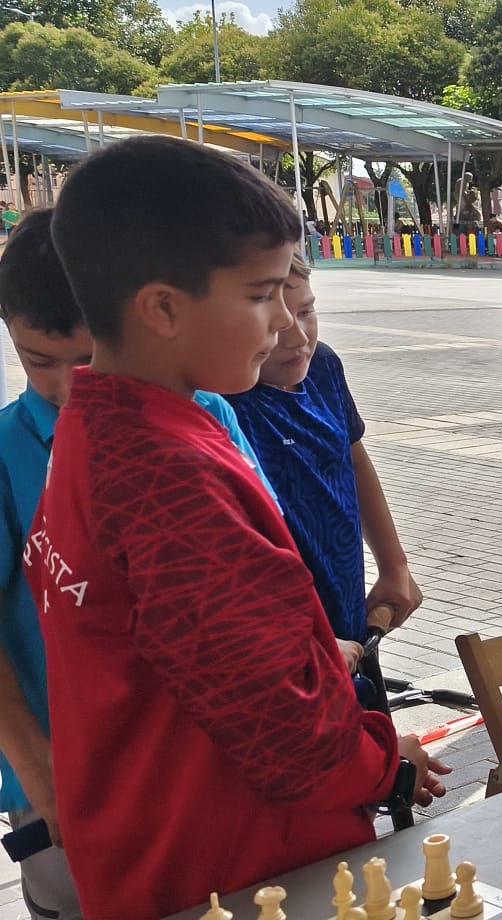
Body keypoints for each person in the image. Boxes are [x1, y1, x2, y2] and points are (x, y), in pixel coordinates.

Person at [34, 135, 448, 920]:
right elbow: (284, 734)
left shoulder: (97, 431)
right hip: (240, 871)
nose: (283, 322)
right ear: (162, 308)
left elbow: (202, 650)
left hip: (153, 845)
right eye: (261, 296)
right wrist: (383, 763)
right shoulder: (167, 474)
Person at [0, 208, 275, 920]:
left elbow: (264, 573)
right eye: (39, 361)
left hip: (208, 775)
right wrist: (40, 773)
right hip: (72, 786)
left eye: (88, 361)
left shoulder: (206, 416)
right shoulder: (6, 451)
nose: (68, 388)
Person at [226, 254, 425, 696]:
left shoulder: (323, 368)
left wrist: (394, 565)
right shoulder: (222, 403)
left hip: (345, 603)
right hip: (281, 635)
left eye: (306, 311)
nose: (298, 337)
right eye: (275, 323)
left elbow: (354, 460)